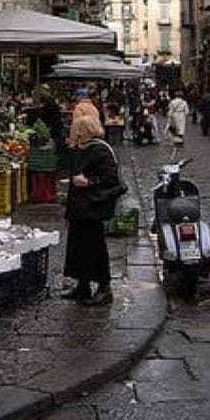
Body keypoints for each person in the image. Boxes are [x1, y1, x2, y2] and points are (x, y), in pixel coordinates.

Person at [62, 114, 122, 306]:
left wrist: (89, 182)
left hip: (92, 207)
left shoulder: (100, 150)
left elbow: (112, 179)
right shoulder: (79, 149)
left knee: (94, 247)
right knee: (78, 246)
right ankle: (83, 285)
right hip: (79, 207)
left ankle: (104, 288)